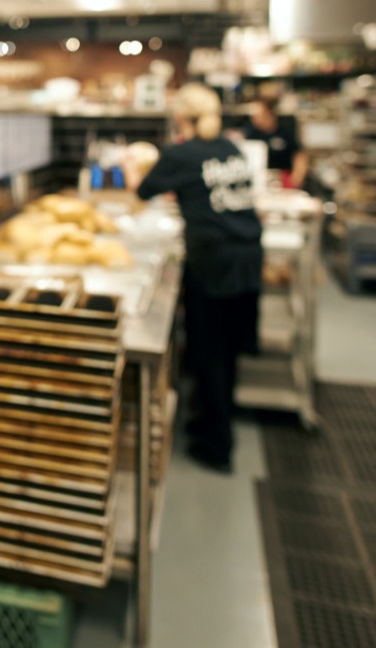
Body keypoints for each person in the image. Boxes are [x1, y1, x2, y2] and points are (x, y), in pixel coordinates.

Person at [128, 83, 262, 473]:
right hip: (248, 256)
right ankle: (216, 424)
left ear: (179, 118)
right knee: (229, 352)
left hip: (215, 263)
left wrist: (129, 164)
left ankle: (215, 445)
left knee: (209, 352)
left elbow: (143, 191)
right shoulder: (230, 149)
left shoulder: (182, 153)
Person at [243, 96, 308, 191]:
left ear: (269, 113)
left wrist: (296, 178)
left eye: (259, 115)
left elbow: (299, 155)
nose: (255, 119)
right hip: (261, 180)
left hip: (284, 180)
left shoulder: (285, 130)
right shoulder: (251, 133)